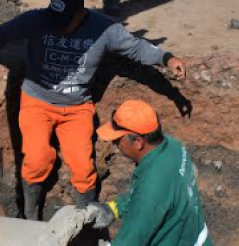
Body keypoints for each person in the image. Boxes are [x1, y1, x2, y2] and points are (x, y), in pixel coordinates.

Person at [0, 0, 186, 220]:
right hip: (37, 102)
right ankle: (30, 218)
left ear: (80, 14)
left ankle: (86, 221)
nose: (58, 26)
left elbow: (136, 47)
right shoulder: (38, 19)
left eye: (65, 21)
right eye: (54, 20)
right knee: (36, 161)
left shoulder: (103, 29)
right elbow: (2, 34)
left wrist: (166, 58)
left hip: (77, 108)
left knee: (82, 167)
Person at [89, 99, 212, 246]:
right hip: (191, 235)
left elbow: (132, 238)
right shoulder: (173, 147)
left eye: (118, 139)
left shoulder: (152, 188)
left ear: (139, 142)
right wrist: (114, 208)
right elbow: (160, 196)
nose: (114, 143)